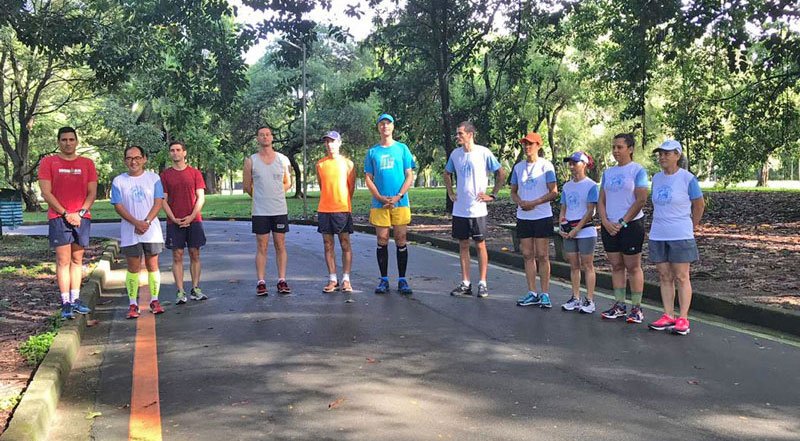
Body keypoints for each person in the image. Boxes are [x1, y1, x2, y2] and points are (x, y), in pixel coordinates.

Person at [38, 127, 97, 319]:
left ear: (77, 141)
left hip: (81, 218)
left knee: (77, 260)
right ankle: (65, 303)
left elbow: (92, 192)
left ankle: (76, 299)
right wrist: (65, 213)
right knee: (63, 260)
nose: (68, 143)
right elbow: (46, 192)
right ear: (58, 142)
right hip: (58, 218)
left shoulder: (87, 163)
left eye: (71, 139)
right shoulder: (49, 162)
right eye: (64, 139)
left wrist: (79, 213)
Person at [647, 140, 705, 335]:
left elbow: (699, 205)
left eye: (667, 153)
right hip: (658, 233)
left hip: (680, 233)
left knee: (681, 276)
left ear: (678, 155)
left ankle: (683, 318)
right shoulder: (656, 178)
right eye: (660, 154)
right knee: (664, 275)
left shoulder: (687, 179)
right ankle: (668, 315)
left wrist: (692, 226)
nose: (662, 157)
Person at [444, 121, 505, 298]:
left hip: (478, 209)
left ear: (470, 134)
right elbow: (446, 173)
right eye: (457, 133)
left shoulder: (483, 152)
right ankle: (465, 283)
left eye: (460, 133)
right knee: (463, 245)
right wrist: (450, 192)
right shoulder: (455, 154)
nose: (457, 136)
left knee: (480, 245)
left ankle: (483, 283)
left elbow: (501, 173)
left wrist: (492, 194)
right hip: (460, 209)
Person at [597, 133, 649, 324]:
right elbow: (601, 199)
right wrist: (604, 220)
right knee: (616, 266)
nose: (615, 151)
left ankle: (636, 308)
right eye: (614, 147)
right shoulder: (608, 173)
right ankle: (619, 304)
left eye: (620, 147)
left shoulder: (637, 171)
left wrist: (623, 221)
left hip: (631, 225)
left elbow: (641, 199)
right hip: (609, 226)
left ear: (630, 148)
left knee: (633, 267)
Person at [364, 113, 416, 295]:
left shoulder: (402, 149)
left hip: (400, 202)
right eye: (382, 124)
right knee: (382, 239)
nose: (385, 126)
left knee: (401, 239)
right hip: (380, 204)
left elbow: (409, 174)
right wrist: (378, 196)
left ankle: (402, 279)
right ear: (378, 127)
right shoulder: (372, 152)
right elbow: (368, 178)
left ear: (393, 127)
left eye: (388, 123)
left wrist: (399, 195)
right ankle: (384, 279)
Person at [111, 146, 165, 319]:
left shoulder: (153, 178)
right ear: (124, 160)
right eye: (129, 158)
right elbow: (118, 206)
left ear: (144, 159)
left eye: (137, 157)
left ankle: (155, 300)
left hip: (151, 230)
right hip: (130, 231)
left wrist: (146, 222)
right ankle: (133, 304)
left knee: (153, 265)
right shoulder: (119, 181)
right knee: (133, 268)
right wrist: (136, 223)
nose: (133, 161)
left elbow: (158, 202)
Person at [243, 126, 293, 296]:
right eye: (261, 135)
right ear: (258, 138)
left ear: (272, 137)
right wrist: (260, 196)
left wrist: (276, 193)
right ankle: (261, 282)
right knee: (262, 246)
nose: (265, 137)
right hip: (260, 211)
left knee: (280, 245)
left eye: (267, 134)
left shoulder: (283, 159)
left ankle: (282, 280)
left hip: (279, 209)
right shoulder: (251, 160)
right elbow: (247, 186)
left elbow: (288, 182)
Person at [512, 132, 558, 308]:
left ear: (538, 145)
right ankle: (532, 292)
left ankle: (545, 294)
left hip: (541, 216)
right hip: (524, 217)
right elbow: (513, 191)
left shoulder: (546, 166)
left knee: (542, 255)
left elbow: (554, 191)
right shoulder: (518, 168)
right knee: (527, 254)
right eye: (525, 144)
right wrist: (520, 202)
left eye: (530, 144)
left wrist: (535, 202)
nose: (527, 147)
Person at [160, 140, 207, 304]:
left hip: (194, 220)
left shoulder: (195, 173)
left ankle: (196, 288)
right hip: (175, 222)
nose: (175, 153)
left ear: (184, 153)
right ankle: (180, 291)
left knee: (195, 253)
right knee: (177, 255)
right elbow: (163, 199)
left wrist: (192, 216)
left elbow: (200, 197)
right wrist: (173, 218)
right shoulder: (165, 175)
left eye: (178, 150)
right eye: (172, 150)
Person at [558, 152, 599, 314]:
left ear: (584, 164)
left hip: (585, 230)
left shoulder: (590, 185)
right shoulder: (567, 186)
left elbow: (590, 210)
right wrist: (562, 225)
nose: (572, 166)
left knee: (587, 264)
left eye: (575, 163)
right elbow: (563, 208)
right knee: (573, 265)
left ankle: (590, 300)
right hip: (569, 230)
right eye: (570, 163)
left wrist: (576, 229)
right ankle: (575, 298)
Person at [315, 131, 356, 293]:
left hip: (342, 209)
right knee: (327, 244)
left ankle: (346, 279)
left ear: (339, 143)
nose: (330, 145)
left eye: (333, 141)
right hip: (324, 209)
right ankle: (333, 278)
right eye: (327, 142)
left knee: (345, 243)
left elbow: (350, 187)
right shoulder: (320, 164)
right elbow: (322, 186)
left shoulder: (348, 164)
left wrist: (343, 202)